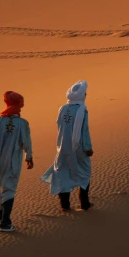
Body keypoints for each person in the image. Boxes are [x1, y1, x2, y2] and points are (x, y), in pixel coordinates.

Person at [40, 80, 94, 210]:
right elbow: (84, 130)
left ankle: (65, 205)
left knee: (63, 173)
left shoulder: (62, 108)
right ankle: (85, 203)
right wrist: (87, 147)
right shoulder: (82, 110)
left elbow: (59, 125)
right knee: (84, 174)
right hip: (79, 147)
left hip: (63, 147)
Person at [0, 91, 33, 232]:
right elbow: (26, 142)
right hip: (13, 160)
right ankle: (5, 222)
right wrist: (29, 157)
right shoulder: (22, 123)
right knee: (9, 188)